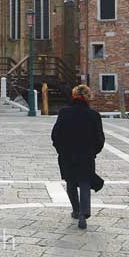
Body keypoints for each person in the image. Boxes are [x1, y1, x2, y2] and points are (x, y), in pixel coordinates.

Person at [51, 84, 105, 230]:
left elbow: (55, 135)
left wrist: (61, 150)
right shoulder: (94, 115)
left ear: (74, 95)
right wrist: (93, 152)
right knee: (85, 182)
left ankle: (76, 210)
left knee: (71, 182)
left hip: (67, 154)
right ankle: (84, 213)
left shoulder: (64, 112)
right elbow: (100, 138)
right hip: (86, 155)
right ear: (88, 97)